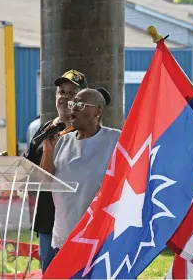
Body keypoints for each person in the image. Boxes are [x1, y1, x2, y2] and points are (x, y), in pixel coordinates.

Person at [40, 88, 120, 267]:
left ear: (98, 112)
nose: (72, 108)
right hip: (65, 233)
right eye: (72, 104)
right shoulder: (62, 141)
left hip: (100, 235)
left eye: (80, 104)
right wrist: (48, 149)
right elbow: (45, 180)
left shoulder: (115, 139)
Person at [26, 69, 88, 273]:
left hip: (76, 220)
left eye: (72, 93)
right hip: (47, 218)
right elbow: (31, 168)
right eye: (61, 92)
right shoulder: (46, 128)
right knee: (51, 273)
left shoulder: (86, 133)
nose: (64, 97)